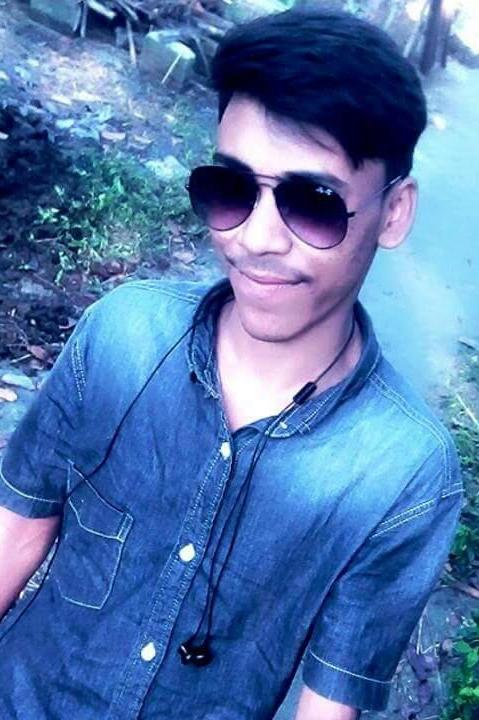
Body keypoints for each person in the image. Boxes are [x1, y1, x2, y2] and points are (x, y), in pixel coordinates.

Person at [0, 7, 464, 720]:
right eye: (232, 188)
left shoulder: (403, 474)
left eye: (313, 203)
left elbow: (328, 704)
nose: (255, 239)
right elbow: (16, 531)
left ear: (394, 212)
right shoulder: (121, 336)